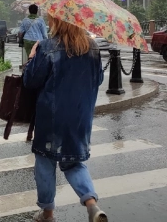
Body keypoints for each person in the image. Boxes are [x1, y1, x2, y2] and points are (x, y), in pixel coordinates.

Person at [24, 16, 108, 222]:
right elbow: (97, 80)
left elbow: (31, 81)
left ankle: (47, 213)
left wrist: (33, 56)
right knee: (75, 162)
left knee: (45, 162)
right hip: (80, 116)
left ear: (58, 22)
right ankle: (92, 204)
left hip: (51, 117)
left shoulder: (47, 47)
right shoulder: (92, 47)